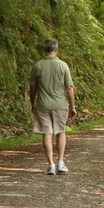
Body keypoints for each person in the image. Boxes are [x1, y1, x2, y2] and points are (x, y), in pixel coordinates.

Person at [29, 38, 77, 175]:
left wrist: (33, 104)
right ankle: (61, 162)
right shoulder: (63, 66)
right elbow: (69, 87)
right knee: (60, 132)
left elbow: (33, 88)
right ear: (56, 50)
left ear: (44, 50)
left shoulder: (37, 66)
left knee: (47, 133)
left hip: (42, 105)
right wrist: (72, 106)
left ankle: (51, 164)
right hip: (60, 105)